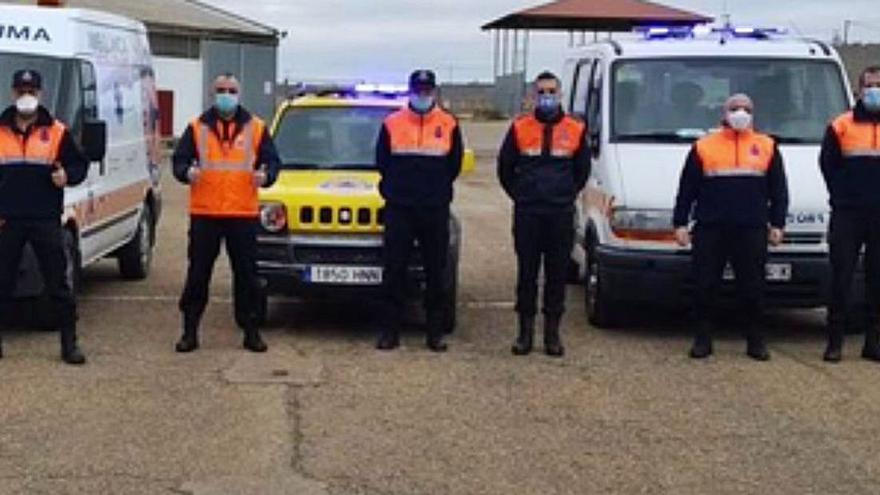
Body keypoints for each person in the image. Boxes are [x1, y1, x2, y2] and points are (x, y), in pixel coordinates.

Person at [673, 93, 789, 361]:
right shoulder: (703, 146)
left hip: (751, 228)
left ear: (753, 114)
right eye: (734, 108)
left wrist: (778, 223)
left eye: (746, 108)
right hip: (711, 227)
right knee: (705, 286)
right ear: (724, 114)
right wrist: (680, 223)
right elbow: (687, 189)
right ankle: (703, 340)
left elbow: (779, 190)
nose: (740, 113)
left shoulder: (767, 146)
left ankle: (755, 341)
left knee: (753, 287)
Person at [172, 73, 280, 353]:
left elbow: (272, 161)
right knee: (198, 274)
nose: (226, 95)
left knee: (247, 276)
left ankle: (252, 331)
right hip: (205, 213)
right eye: (221, 90)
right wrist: (187, 172)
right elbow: (179, 161)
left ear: (239, 94)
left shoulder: (256, 127)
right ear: (212, 93)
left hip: (242, 214)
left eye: (231, 90)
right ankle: (190, 331)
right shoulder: (196, 127)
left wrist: (266, 175)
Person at [497, 71, 590, 357]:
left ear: (559, 94)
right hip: (529, 213)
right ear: (533, 96)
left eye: (552, 91)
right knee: (527, 274)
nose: (547, 96)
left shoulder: (575, 129)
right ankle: (524, 334)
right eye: (542, 92)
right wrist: (522, 195)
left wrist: (564, 194)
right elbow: (505, 169)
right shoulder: (520, 127)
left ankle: (552, 335)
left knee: (556, 275)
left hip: (560, 213)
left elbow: (581, 171)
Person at [0, 69, 88, 364]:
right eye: (22, 90)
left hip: (45, 219)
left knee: (58, 284)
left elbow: (79, 165)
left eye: (32, 91)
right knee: (2, 282)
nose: (27, 95)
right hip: (7, 219)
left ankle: (69, 344)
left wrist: (68, 175)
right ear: (13, 93)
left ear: (41, 94)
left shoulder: (58, 131)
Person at [375, 69, 463, 352]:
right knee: (394, 270)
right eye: (418, 89)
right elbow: (382, 161)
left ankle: (434, 334)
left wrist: (434, 191)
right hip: (400, 208)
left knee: (436, 272)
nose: (422, 94)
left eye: (427, 89)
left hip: (434, 209)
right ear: (410, 90)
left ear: (434, 91)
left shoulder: (449, 123)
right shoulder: (392, 123)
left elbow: (454, 165)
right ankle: (390, 332)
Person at [820, 66, 880, 363]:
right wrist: (841, 196)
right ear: (859, 90)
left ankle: (873, 342)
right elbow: (828, 164)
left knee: (877, 280)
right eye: (870, 85)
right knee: (841, 277)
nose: (874, 90)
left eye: (879, 85)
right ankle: (834, 343)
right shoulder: (841, 125)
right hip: (848, 213)